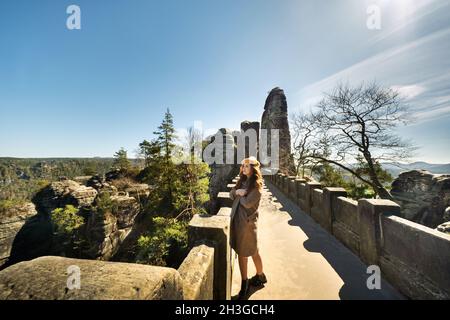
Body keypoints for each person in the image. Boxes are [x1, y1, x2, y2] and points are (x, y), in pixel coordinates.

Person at [229, 156, 267, 299]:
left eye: (246, 166)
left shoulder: (256, 186)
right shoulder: (242, 181)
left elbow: (247, 203)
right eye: (242, 166)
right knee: (252, 251)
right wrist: (238, 192)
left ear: (253, 168)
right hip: (238, 221)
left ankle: (245, 284)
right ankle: (261, 276)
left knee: (246, 254)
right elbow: (231, 194)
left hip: (247, 225)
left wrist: (239, 194)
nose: (243, 168)